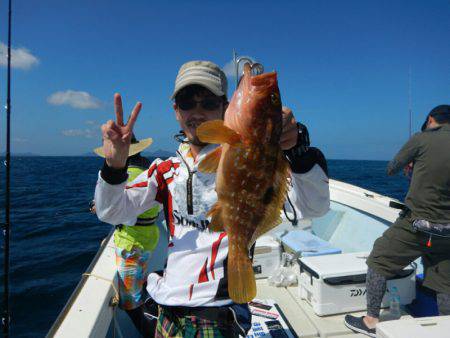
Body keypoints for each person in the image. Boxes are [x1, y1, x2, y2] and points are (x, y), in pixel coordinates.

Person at [95, 60, 330, 337]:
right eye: (186, 103)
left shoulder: (250, 153)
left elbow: (314, 207)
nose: (197, 112)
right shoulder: (165, 170)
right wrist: (114, 166)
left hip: (216, 311)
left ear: (225, 107)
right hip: (167, 306)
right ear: (175, 111)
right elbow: (110, 212)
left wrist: (298, 149)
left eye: (208, 103)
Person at [344, 105, 450, 337]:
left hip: (416, 226)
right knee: (445, 283)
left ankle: (371, 321)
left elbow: (392, 169)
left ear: (431, 119)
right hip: (448, 233)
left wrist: (411, 165)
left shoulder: (421, 138)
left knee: (379, 260)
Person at [94, 135, 161, 337]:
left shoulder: (128, 175)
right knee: (138, 288)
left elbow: (107, 212)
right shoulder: (147, 170)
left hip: (132, 244)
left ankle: (157, 333)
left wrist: (97, 206)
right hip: (148, 237)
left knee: (130, 303)